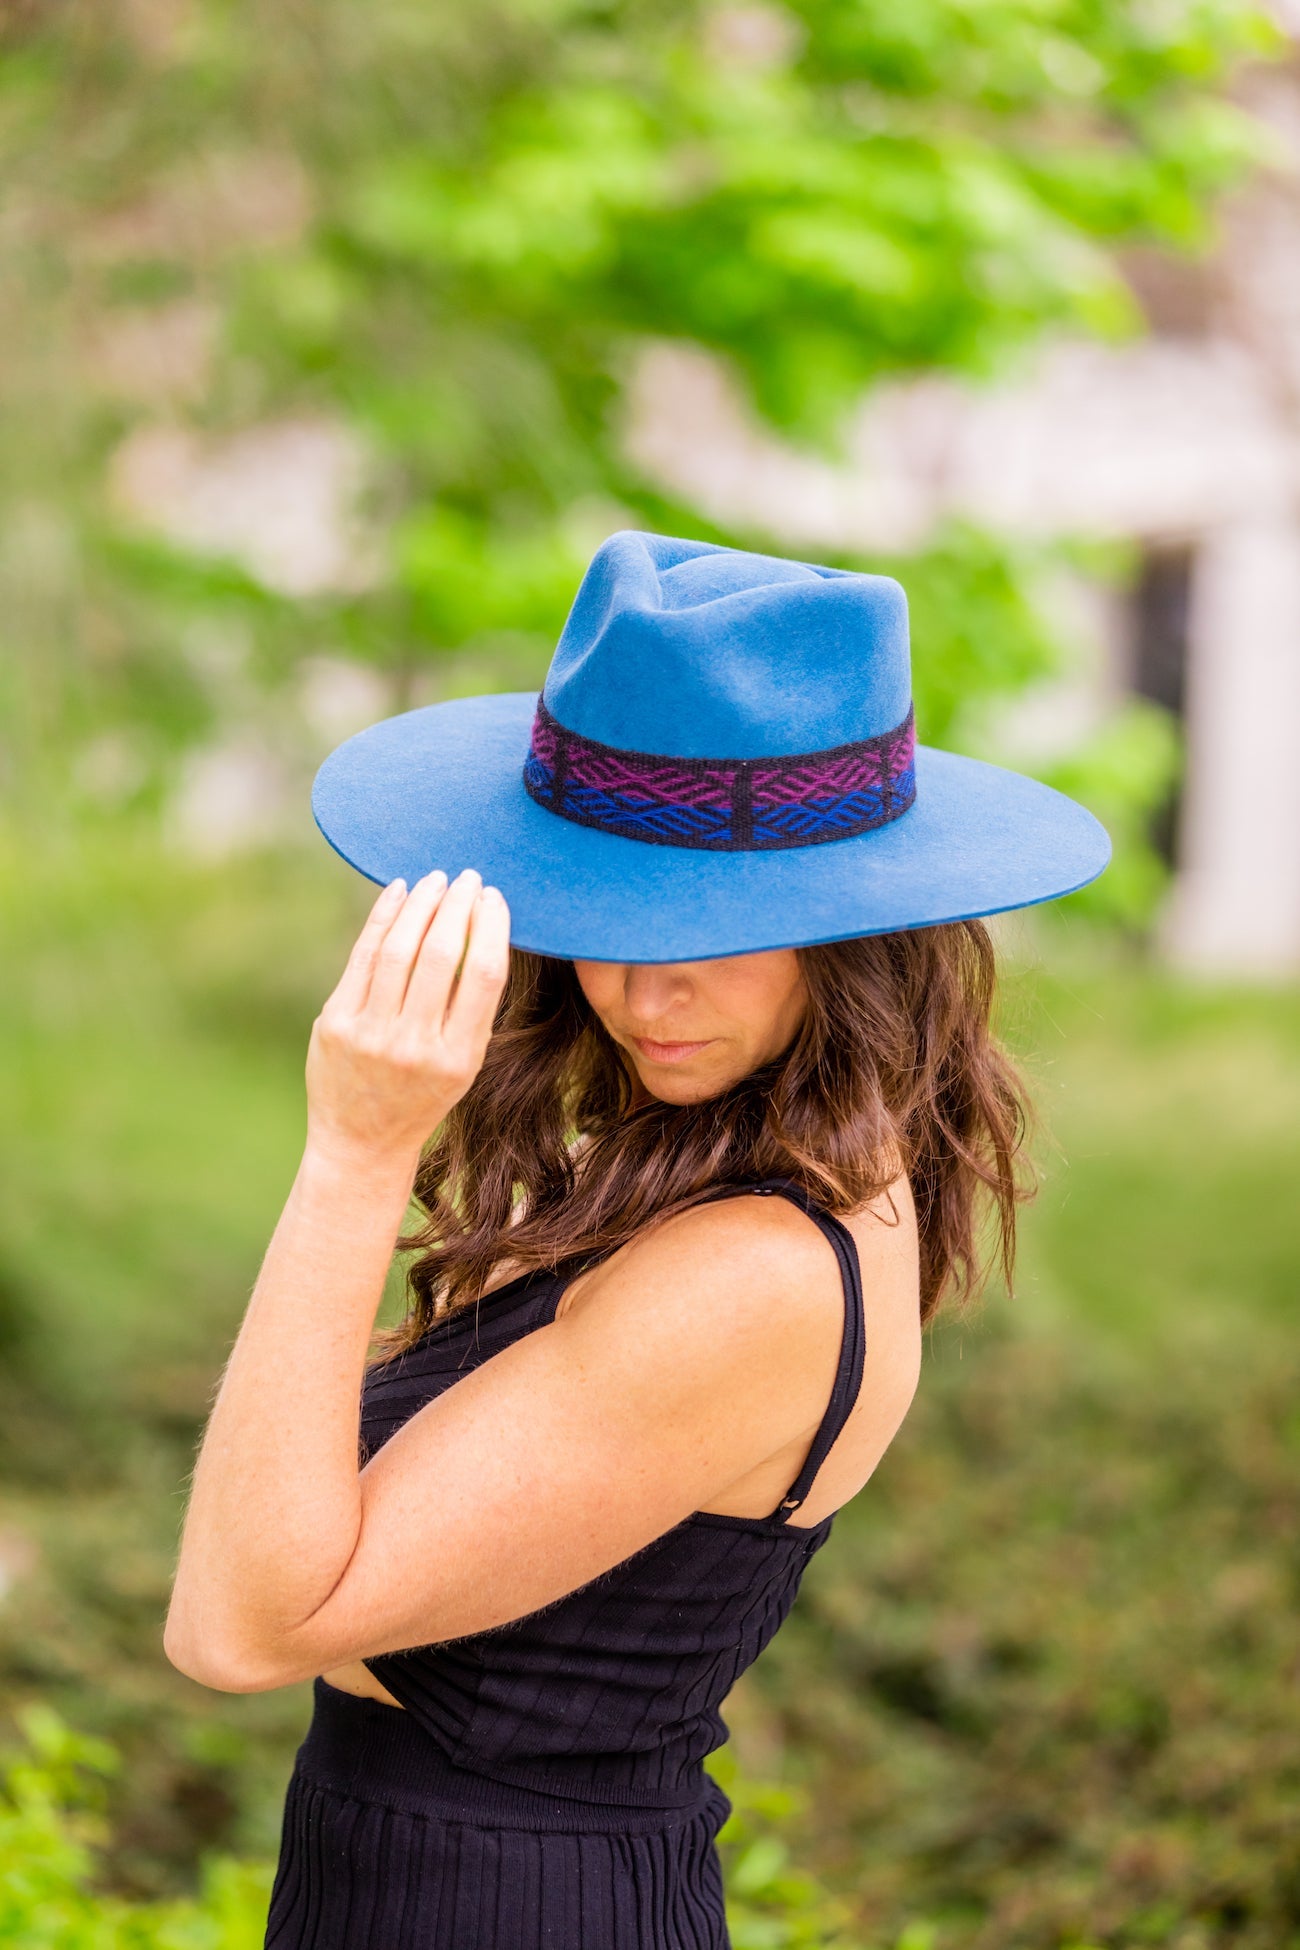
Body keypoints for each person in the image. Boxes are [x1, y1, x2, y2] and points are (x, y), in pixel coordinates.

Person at [164, 531, 1109, 1949]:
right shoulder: (744, 1157)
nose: (638, 986)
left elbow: (233, 1624)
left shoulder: (759, 1270)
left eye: (714, 924)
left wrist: (356, 1152)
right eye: (607, 906)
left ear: (855, 930)